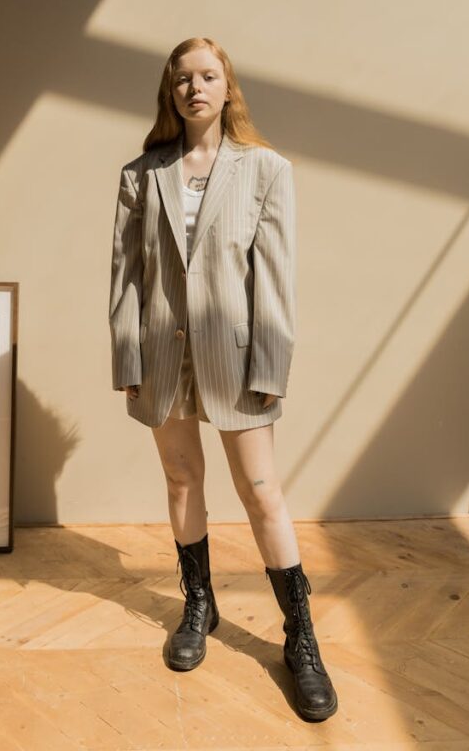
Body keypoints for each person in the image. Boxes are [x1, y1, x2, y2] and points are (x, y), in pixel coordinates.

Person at [108, 37, 338, 722]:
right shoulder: (140, 175)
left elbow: (274, 276)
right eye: (182, 79)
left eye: (207, 76)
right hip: (160, 353)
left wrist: (271, 363)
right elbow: (126, 276)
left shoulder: (265, 169)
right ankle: (199, 604)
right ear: (169, 91)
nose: (195, 88)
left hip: (236, 357)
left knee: (261, 492)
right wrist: (127, 358)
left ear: (227, 86)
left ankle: (300, 637)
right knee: (181, 480)